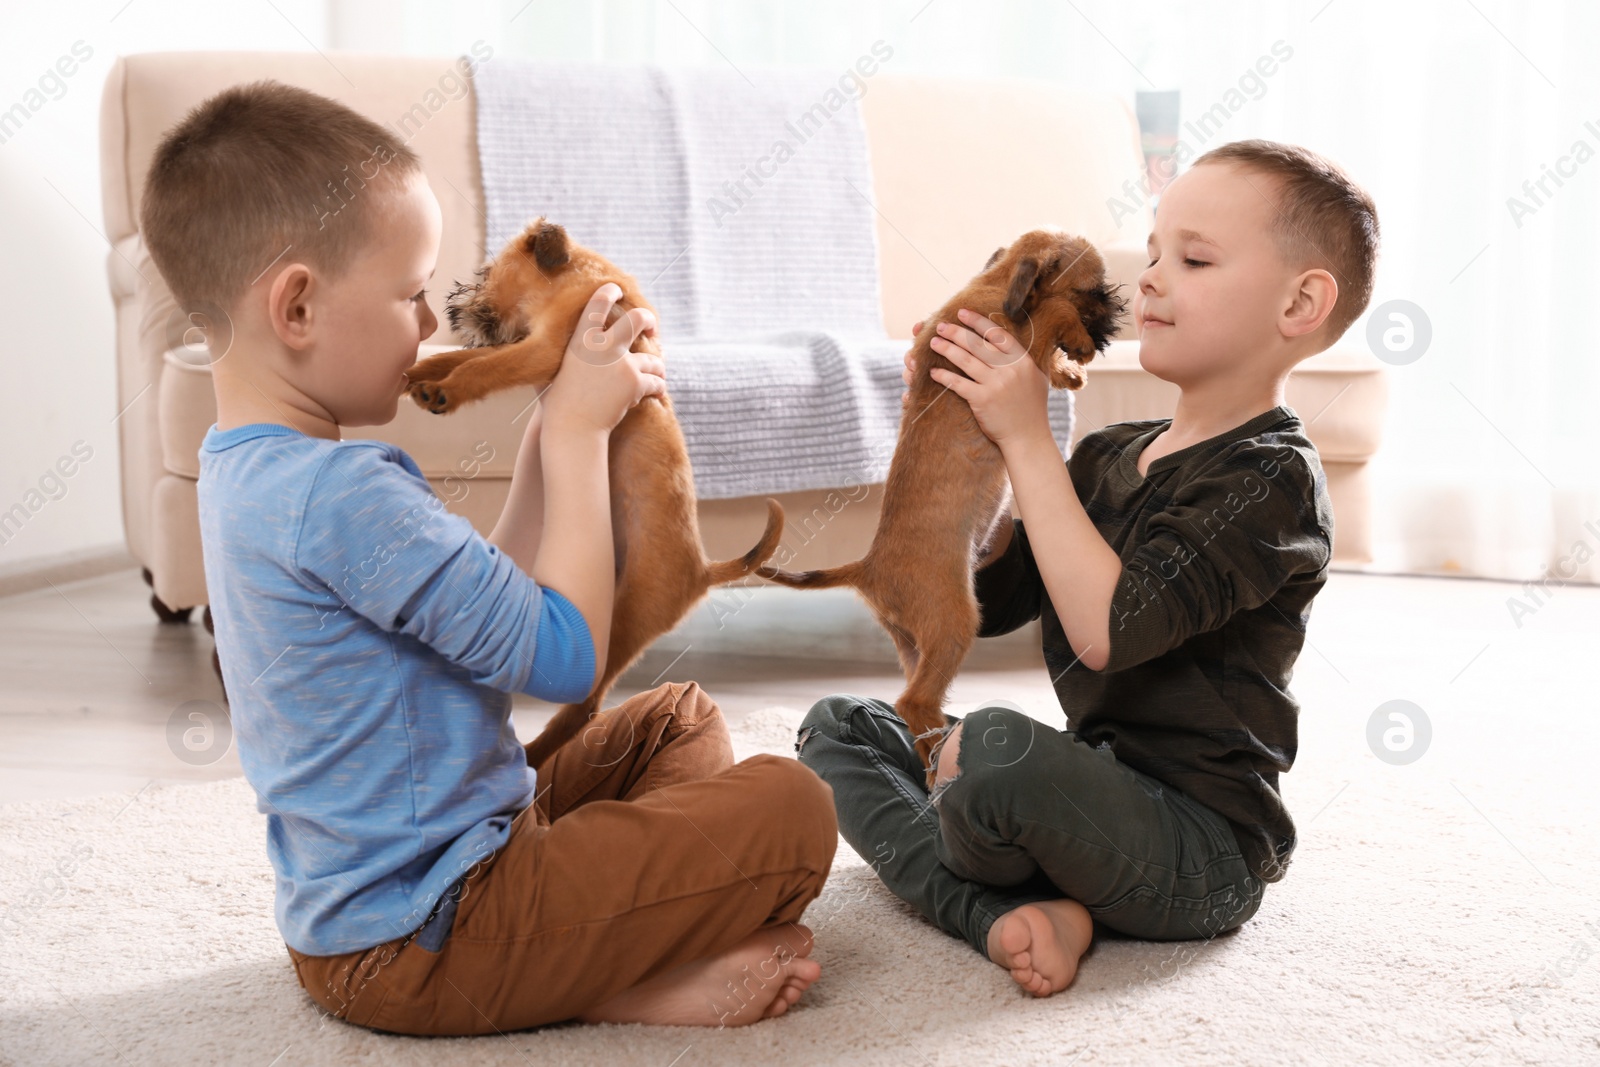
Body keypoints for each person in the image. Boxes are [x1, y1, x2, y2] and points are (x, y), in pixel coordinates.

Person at [139, 79, 837, 1034]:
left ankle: (597, 946)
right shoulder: (346, 495)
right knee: (793, 806)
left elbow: (482, 613)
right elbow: (562, 655)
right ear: (297, 306)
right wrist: (581, 442)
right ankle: (608, 977)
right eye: (409, 293)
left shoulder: (248, 473)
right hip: (432, 936)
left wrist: (546, 436)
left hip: (369, 916)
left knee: (676, 719)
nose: (430, 325)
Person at [798, 139, 1377, 997]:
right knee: (838, 725)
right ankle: (1033, 907)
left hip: (1200, 844)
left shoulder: (1270, 476)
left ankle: (993, 891)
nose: (1146, 277)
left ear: (1300, 302)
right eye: (1150, 253)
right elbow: (996, 600)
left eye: (1193, 258)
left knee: (990, 749)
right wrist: (958, 430)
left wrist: (1029, 435)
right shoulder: (1109, 453)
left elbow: (1109, 631)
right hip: (1087, 783)